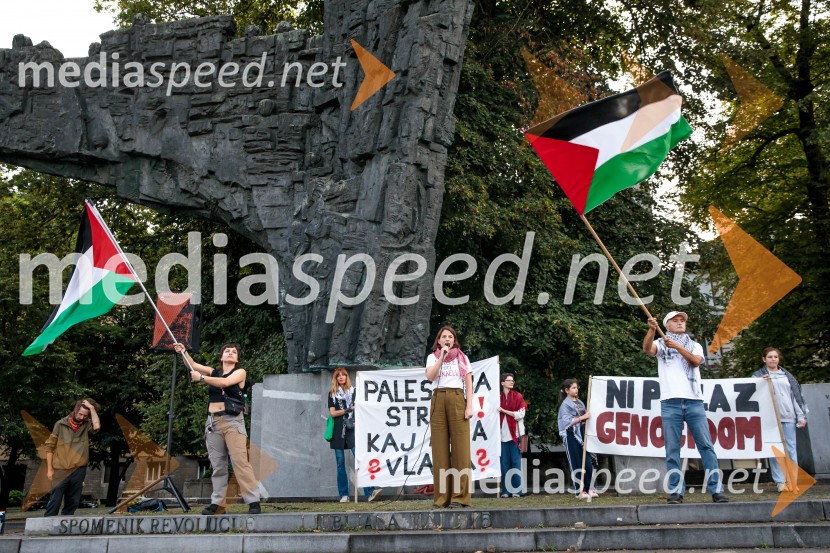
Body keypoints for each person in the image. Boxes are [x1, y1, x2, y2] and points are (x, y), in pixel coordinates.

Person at [643, 311, 728, 504]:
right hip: (670, 402)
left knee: (706, 446)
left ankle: (716, 490)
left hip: (694, 401)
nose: (680, 323)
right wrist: (650, 330)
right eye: (676, 321)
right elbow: (648, 349)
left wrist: (679, 347)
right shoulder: (662, 343)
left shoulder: (694, 345)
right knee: (672, 448)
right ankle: (676, 491)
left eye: (682, 320)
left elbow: (696, 361)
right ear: (667, 326)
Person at [174, 342, 261, 515]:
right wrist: (183, 351)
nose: (230, 353)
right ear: (221, 357)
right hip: (213, 423)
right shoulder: (214, 372)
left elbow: (225, 383)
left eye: (234, 352)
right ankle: (217, 503)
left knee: (240, 463)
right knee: (218, 466)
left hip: (232, 422)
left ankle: (253, 501)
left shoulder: (239, 372)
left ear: (237, 359)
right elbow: (192, 365)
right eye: (227, 351)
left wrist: (202, 378)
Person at [425, 325, 474, 508]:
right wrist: (442, 357)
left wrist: (469, 406)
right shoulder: (432, 357)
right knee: (440, 451)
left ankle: (460, 497)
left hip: (456, 398)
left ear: (454, 340)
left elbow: (468, 382)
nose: (447, 339)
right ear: (439, 341)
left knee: (461, 450)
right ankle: (442, 498)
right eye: (444, 336)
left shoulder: (463, 357)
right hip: (438, 398)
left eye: (450, 337)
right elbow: (430, 376)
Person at [752, 347, 808, 492]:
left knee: (791, 450)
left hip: (788, 416)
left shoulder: (787, 376)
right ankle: (780, 481)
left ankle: (793, 480)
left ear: (778, 359)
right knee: (775, 450)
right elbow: (750, 391)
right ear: (764, 359)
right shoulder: (758, 376)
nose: (773, 359)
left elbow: (795, 397)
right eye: (770, 357)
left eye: (775, 357)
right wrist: (759, 382)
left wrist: (801, 415)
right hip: (770, 419)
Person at [328, 367, 381, 502]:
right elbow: (333, 413)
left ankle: (369, 492)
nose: (341, 377)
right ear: (336, 378)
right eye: (338, 375)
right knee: (340, 462)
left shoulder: (354, 392)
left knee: (360, 459)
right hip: (338, 431)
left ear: (346, 377)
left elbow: (361, 408)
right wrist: (347, 409)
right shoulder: (332, 394)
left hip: (352, 429)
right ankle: (344, 495)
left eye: (343, 375)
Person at [43, 398, 100, 516]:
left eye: (85, 415)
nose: (82, 417)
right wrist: (49, 469)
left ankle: (65, 524)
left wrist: (92, 408)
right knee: (55, 498)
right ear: (75, 411)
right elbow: (49, 447)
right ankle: (47, 523)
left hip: (78, 469)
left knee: (73, 500)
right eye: (80, 414)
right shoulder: (60, 424)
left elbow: (97, 427)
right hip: (60, 468)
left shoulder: (86, 425)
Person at [557, 380, 597, 498]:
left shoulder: (579, 402)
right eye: (573, 388)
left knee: (587, 461)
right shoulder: (565, 405)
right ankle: (580, 491)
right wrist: (583, 417)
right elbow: (567, 422)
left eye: (576, 387)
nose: (576, 389)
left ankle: (590, 488)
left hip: (582, 434)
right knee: (576, 462)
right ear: (567, 390)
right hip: (572, 435)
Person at [497, 373, 527, 498]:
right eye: (508, 380)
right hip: (501, 436)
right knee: (504, 464)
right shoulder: (497, 397)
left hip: (515, 435)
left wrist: (504, 411)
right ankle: (505, 490)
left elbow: (521, 414)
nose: (511, 382)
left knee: (516, 463)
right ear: (502, 383)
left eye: (512, 380)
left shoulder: (518, 396)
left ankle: (517, 490)